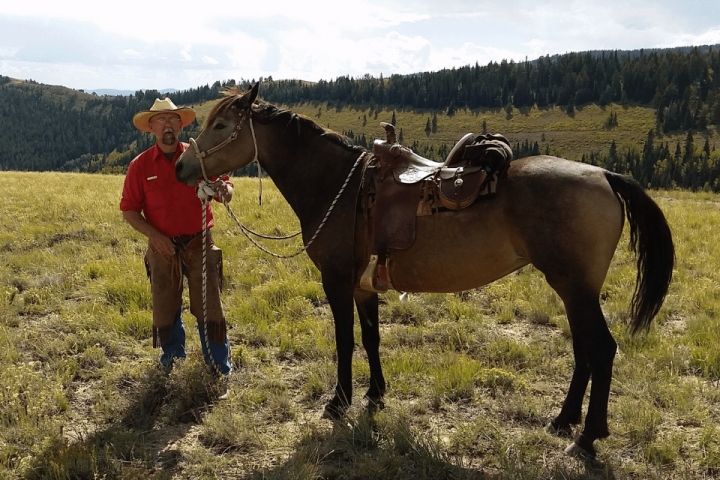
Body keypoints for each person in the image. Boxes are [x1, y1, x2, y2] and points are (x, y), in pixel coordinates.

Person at [120, 98, 233, 378]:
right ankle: (172, 364)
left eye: (172, 119)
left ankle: (218, 370)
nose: (167, 125)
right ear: (152, 128)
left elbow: (226, 188)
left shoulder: (199, 157)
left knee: (210, 308)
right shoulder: (140, 166)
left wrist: (221, 190)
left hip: (199, 242)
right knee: (166, 308)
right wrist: (155, 238)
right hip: (162, 247)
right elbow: (129, 210)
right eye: (161, 120)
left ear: (181, 125)